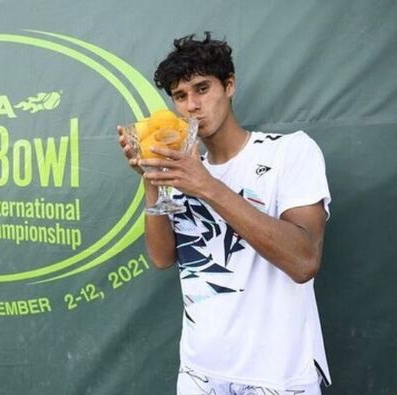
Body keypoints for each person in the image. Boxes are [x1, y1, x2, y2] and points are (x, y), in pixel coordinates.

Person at [118, 32, 332, 394]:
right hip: (199, 373)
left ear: (229, 86)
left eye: (202, 88)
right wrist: (152, 180)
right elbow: (162, 257)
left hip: (277, 376)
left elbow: (304, 260)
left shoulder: (290, 152)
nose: (192, 106)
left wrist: (207, 186)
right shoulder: (181, 169)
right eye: (180, 96)